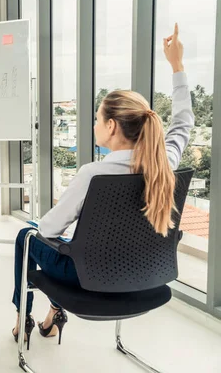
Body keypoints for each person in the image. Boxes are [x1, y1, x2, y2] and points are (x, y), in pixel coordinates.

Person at [11, 23, 194, 346]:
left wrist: (62, 231)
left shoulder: (93, 174)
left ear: (111, 126)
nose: (94, 124)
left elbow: (50, 229)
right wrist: (177, 65)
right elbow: (184, 122)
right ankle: (53, 316)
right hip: (144, 275)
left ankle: (21, 318)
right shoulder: (165, 164)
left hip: (88, 279)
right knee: (64, 240)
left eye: (97, 118)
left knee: (28, 234)